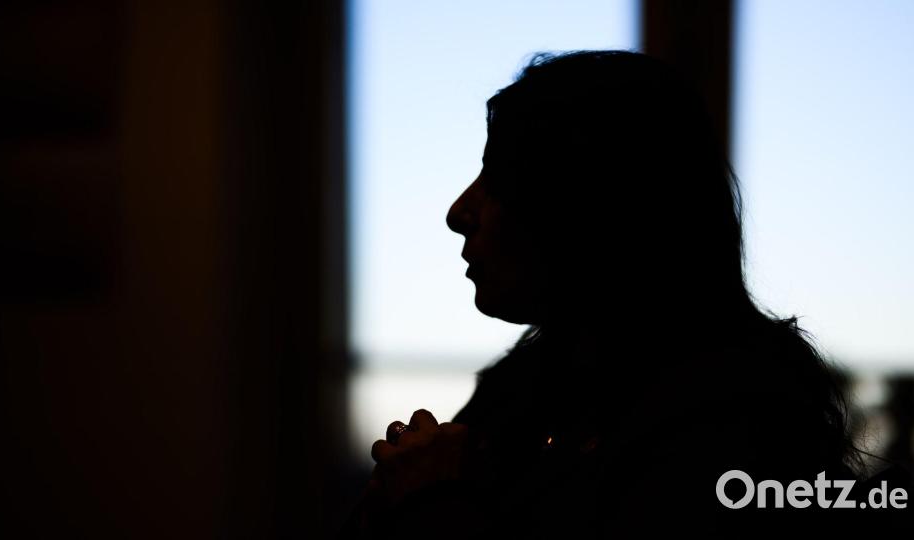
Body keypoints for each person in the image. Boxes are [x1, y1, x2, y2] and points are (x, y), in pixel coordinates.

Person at [339, 50, 867, 537]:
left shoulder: (734, 433)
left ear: (595, 207)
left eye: (500, 179)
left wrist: (429, 508)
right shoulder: (529, 387)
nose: (459, 212)